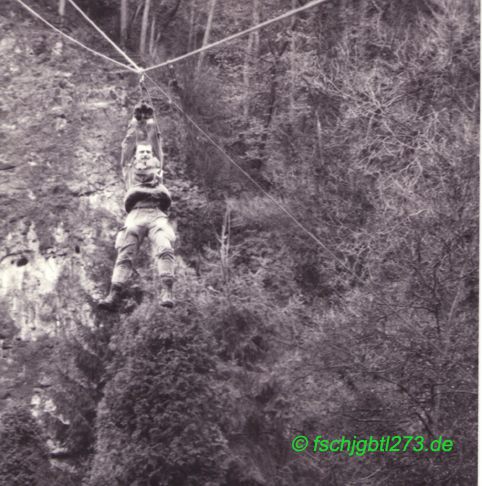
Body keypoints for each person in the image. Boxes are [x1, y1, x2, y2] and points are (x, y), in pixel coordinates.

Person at [99, 102, 176, 310]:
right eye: (140, 153)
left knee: (165, 245)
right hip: (135, 214)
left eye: (147, 153)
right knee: (125, 250)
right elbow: (127, 146)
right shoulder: (130, 171)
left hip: (156, 213)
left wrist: (150, 121)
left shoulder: (158, 167)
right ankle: (114, 292)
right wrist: (135, 122)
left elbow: (156, 142)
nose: (144, 155)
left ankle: (167, 288)